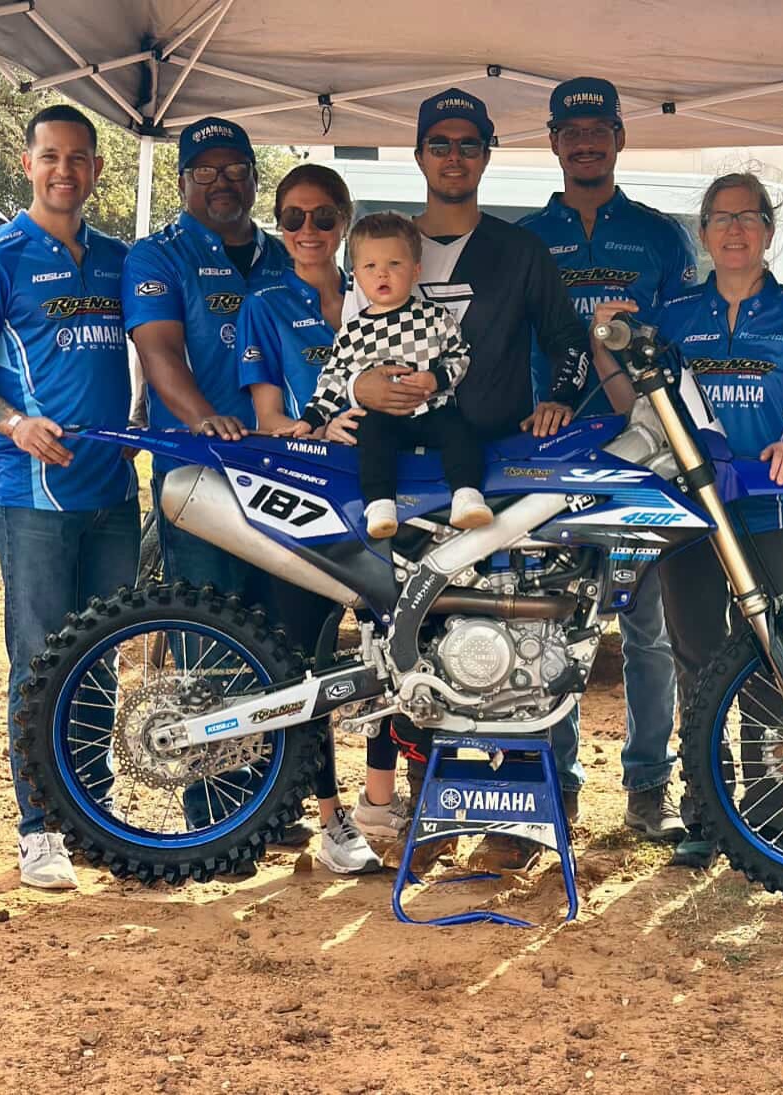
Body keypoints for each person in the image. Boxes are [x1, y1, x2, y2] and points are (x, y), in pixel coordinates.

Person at [347, 88, 590, 873]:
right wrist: (357, 394)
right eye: (439, 143)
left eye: (469, 143)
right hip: (399, 480)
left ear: (486, 154)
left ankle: (526, 811)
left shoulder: (519, 251)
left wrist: (557, 396)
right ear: (419, 155)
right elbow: (346, 350)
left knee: (523, 634)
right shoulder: (382, 246)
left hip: (499, 474)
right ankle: (434, 808)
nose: (454, 155)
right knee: (416, 644)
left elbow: (569, 341)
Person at [592, 172, 783, 868]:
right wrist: (602, 342)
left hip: (773, 510)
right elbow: (626, 405)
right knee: (696, 658)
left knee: (769, 658)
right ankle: (704, 811)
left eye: (749, 217)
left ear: (768, 229)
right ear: (702, 234)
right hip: (689, 514)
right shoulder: (670, 317)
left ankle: (765, 816)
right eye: (721, 218)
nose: (735, 229)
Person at [122, 117, 346, 871]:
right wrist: (204, 419)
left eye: (236, 169)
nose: (222, 181)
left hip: (287, 476)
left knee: (279, 641)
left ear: (255, 178)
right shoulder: (159, 253)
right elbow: (159, 352)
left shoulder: (287, 252)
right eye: (206, 170)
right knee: (210, 639)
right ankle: (215, 816)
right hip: (202, 474)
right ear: (185, 180)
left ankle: (271, 807)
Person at [0, 104, 139, 889]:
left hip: (114, 492)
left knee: (98, 659)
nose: (66, 170)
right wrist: (16, 422)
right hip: (33, 495)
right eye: (51, 156)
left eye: (81, 157)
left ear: (96, 168)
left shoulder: (121, 259)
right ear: (28, 164)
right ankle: (40, 827)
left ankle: (88, 808)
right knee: (39, 657)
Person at [518, 77, 695, 845]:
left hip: (641, 454)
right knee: (550, 627)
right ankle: (555, 788)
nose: (585, 142)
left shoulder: (660, 236)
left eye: (598, 130)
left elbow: (683, 341)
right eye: (571, 131)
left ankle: (648, 787)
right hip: (547, 456)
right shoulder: (525, 236)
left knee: (648, 631)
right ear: (553, 142)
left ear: (620, 138)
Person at [236, 164, 390, 873]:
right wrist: (313, 430)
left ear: (345, 221)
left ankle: (381, 801)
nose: (307, 232)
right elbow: (266, 416)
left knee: (394, 653)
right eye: (292, 219)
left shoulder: (380, 291)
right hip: (304, 499)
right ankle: (330, 819)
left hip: (387, 497)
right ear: (278, 223)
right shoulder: (263, 303)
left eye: (323, 218)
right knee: (310, 664)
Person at [291, 212, 492, 537]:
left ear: (415, 271)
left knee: (459, 431)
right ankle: (379, 506)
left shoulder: (435, 317)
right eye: (370, 266)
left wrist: (437, 379)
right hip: (382, 417)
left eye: (394, 264)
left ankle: (467, 497)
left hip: (433, 409)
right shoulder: (351, 331)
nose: (382, 273)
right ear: (356, 275)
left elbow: (460, 356)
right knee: (370, 437)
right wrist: (311, 419)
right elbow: (333, 378)